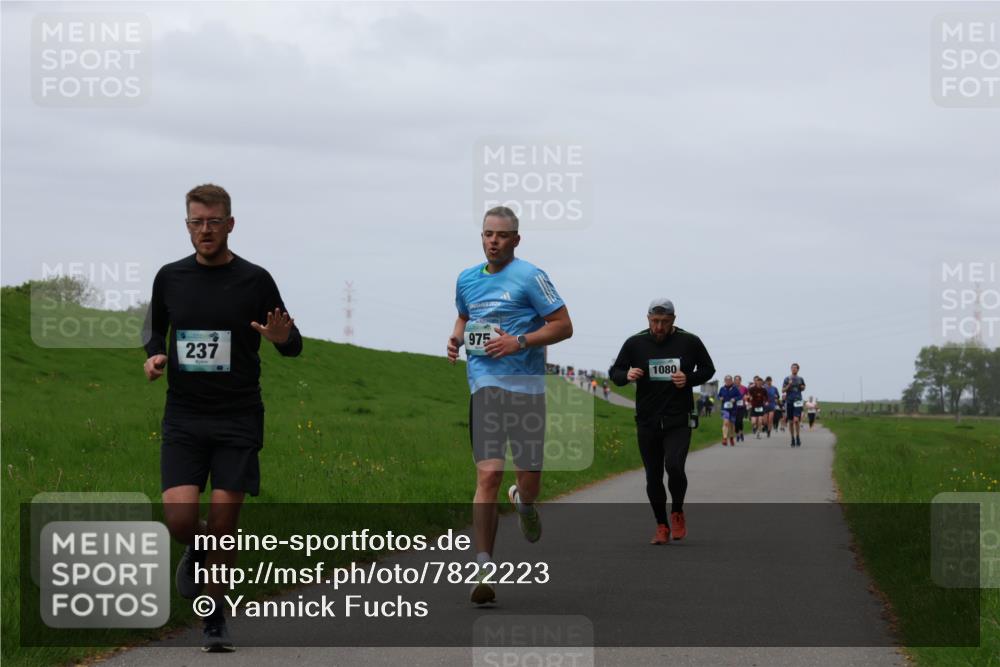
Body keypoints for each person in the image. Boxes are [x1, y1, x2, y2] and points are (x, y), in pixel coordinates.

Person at [142, 184, 303, 652]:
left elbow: (294, 344)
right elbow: (155, 331)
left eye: (213, 221)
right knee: (179, 518)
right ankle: (198, 546)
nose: (205, 230)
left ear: (230, 224)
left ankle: (214, 620)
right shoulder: (170, 277)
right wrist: (153, 357)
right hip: (185, 416)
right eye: (196, 221)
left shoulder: (255, 280)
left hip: (237, 417)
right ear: (187, 225)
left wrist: (279, 338)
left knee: (224, 522)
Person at [447, 206, 573, 605]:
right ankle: (484, 567)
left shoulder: (531, 277)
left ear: (516, 240)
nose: (493, 241)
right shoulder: (466, 279)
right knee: (488, 477)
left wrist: (518, 342)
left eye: (501, 235)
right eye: (487, 234)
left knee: (528, 481)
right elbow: (464, 318)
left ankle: (525, 501)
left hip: (527, 389)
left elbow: (563, 325)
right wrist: (455, 339)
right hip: (484, 384)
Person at [609, 299, 715, 544]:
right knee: (653, 476)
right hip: (647, 420)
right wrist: (627, 374)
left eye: (664, 322)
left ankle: (677, 511)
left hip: (678, 418)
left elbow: (708, 369)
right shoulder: (635, 342)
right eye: (655, 322)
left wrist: (688, 379)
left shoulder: (690, 341)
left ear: (673, 321)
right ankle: (661, 525)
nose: (659, 327)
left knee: (675, 467)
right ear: (648, 319)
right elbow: (615, 373)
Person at [783, 363, 807, 447]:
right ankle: (792, 438)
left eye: (795, 368)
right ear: (791, 369)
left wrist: (802, 387)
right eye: (792, 368)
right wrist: (789, 384)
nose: (793, 369)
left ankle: (798, 437)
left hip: (798, 401)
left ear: (798, 369)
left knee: (796, 420)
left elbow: (803, 388)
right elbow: (783, 390)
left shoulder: (800, 379)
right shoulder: (787, 379)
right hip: (789, 401)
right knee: (790, 422)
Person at [717, 375, 740, 447]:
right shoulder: (722, 388)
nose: (728, 382)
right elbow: (718, 396)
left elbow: (740, 396)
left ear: (731, 381)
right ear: (725, 381)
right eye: (726, 380)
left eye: (729, 380)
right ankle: (724, 438)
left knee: (732, 425)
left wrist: (735, 399)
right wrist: (720, 398)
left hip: (733, 409)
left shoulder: (735, 388)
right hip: (725, 409)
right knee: (726, 423)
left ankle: (731, 437)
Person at [733, 375, 748, 442]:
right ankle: (737, 434)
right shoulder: (732, 388)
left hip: (742, 407)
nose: (736, 381)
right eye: (735, 380)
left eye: (738, 380)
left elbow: (748, 395)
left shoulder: (744, 388)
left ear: (740, 381)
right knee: (735, 422)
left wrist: (746, 397)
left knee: (740, 421)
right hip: (733, 407)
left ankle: (741, 432)